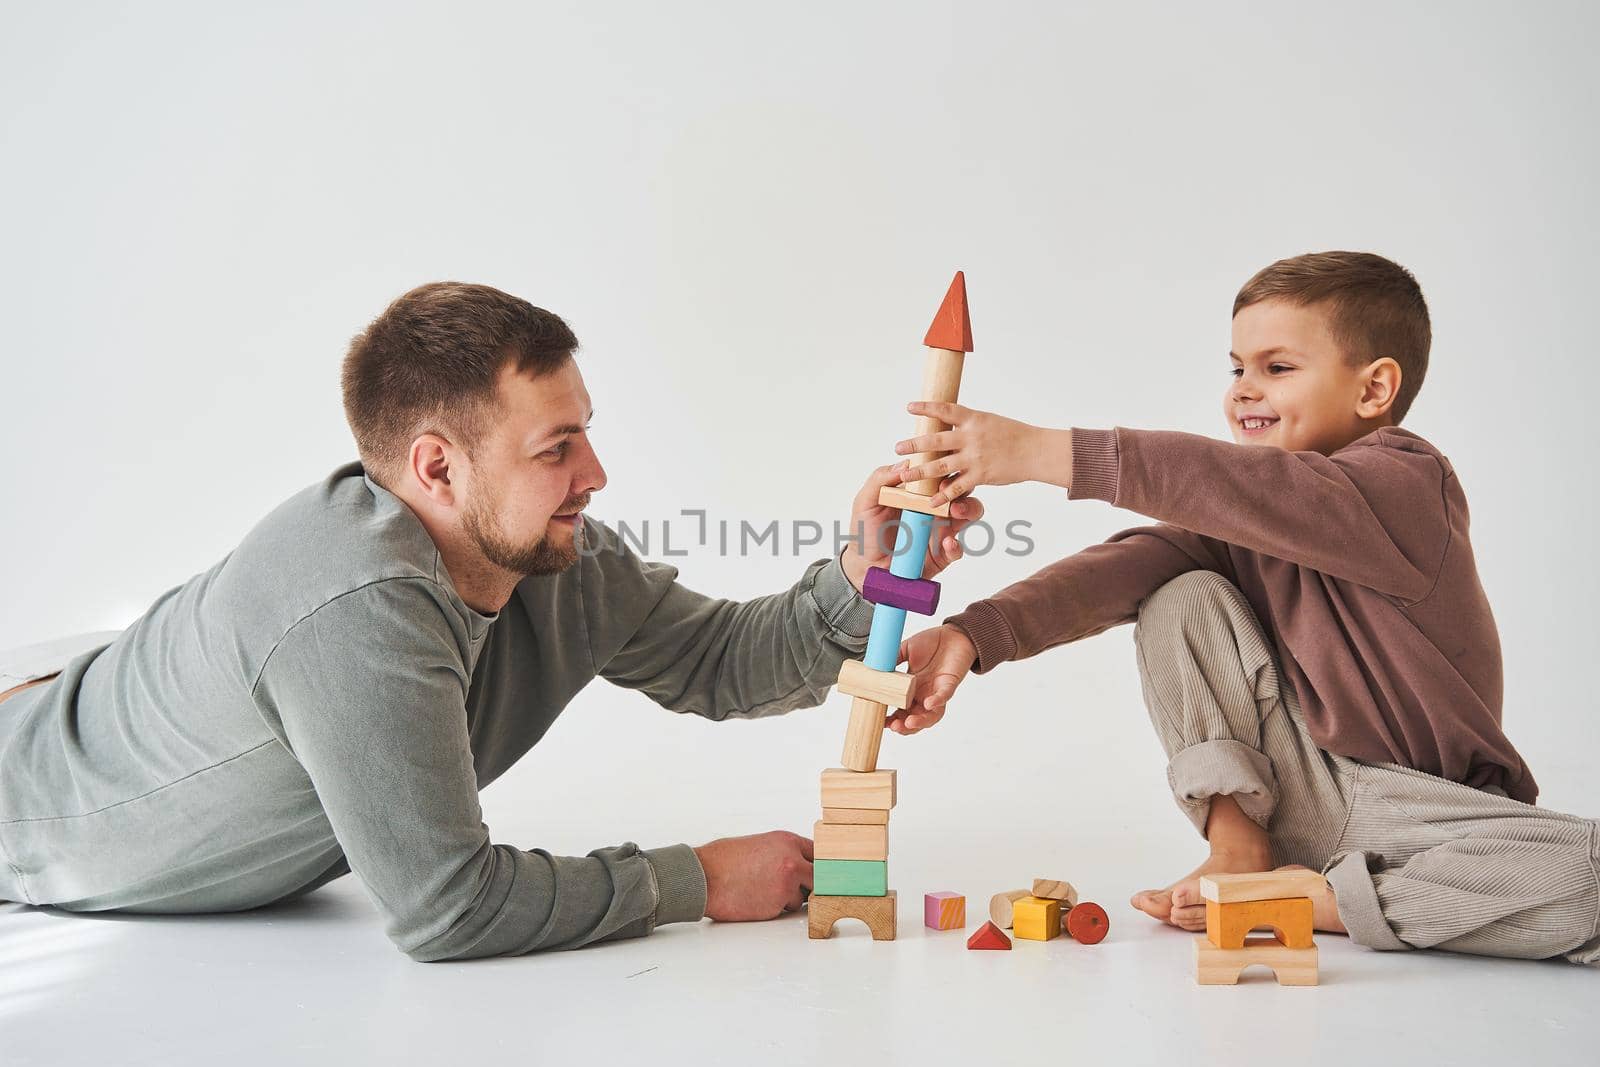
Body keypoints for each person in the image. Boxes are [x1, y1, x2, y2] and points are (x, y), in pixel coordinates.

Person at [0, 281, 981, 962]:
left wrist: (864, 571)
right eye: (557, 446)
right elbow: (446, 908)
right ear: (436, 468)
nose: (594, 474)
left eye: (586, 430)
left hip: (101, 686)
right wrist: (693, 880)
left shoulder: (550, 553)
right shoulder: (357, 612)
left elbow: (723, 660)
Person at [891, 251, 1599, 964]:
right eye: (1237, 369)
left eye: (1277, 368)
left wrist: (1044, 452)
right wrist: (971, 636)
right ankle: (1240, 847)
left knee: (1589, 874)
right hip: (1300, 788)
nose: (1243, 393)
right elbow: (1124, 564)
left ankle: (1323, 900)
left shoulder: (1408, 484)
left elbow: (1239, 486)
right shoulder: (1242, 520)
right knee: (1179, 592)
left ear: (1375, 387)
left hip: (1427, 817)